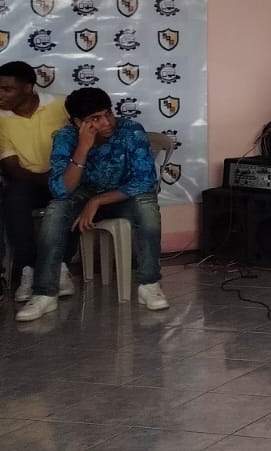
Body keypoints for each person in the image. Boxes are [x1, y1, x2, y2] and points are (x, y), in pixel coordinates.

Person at [16, 86, 167, 322]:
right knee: (56, 209)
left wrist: (97, 201)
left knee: (146, 203)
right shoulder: (66, 137)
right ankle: (45, 293)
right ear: (78, 122)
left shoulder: (130, 131)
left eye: (108, 113)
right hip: (82, 196)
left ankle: (150, 285)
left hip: (121, 197)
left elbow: (145, 181)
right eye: (95, 119)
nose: (106, 122)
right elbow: (61, 189)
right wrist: (83, 149)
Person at [0, 61, 71, 301]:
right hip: (28, 182)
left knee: (72, 194)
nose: (0, 95)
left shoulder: (62, 105)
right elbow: (12, 167)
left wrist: (60, 179)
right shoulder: (1, 118)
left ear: (28, 88)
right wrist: (47, 180)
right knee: (14, 197)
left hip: (65, 178)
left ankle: (60, 268)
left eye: (7, 89)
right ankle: (27, 271)